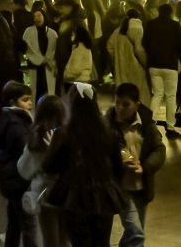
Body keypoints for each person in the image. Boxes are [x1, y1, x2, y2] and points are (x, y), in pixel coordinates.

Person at [41, 88, 131, 247]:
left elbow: (49, 167)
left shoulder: (64, 134)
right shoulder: (108, 132)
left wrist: (52, 149)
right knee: (102, 242)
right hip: (104, 196)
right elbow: (118, 168)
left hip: (74, 197)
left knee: (79, 242)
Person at [106, 79, 166, 243]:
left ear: (137, 105)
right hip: (120, 187)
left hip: (141, 187)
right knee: (136, 232)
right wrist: (119, 162)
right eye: (117, 103)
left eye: (125, 104)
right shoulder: (108, 125)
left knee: (135, 231)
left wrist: (145, 167)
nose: (120, 108)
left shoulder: (146, 125)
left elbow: (159, 150)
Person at [0, 81, 38, 247]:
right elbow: (27, 150)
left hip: (10, 181)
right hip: (19, 181)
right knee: (29, 225)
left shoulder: (5, 119)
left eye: (30, 99)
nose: (30, 103)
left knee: (15, 223)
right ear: (12, 102)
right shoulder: (17, 125)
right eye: (25, 100)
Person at [141, 1, 181, 134]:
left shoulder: (150, 24)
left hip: (154, 65)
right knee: (171, 96)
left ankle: (150, 123)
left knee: (157, 94)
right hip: (170, 64)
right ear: (171, 13)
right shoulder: (175, 25)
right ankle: (170, 126)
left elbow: (144, 42)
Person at [108, 13, 147, 109]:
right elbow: (140, 49)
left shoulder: (118, 31)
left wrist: (116, 58)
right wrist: (146, 63)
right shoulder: (139, 30)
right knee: (138, 93)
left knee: (123, 92)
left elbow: (109, 46)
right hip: (137, 67)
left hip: (121, 67)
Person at [22, 5, 57, 100]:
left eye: (39, 15)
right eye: (35, 16)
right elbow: (27, 48)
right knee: (34, 91)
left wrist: (48, 60)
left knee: (48, 91)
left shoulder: (52, 33)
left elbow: (54, 50)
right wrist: (40, 60)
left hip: (49, 68)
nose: (37, 18)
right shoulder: (28, 32)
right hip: (34, 67)